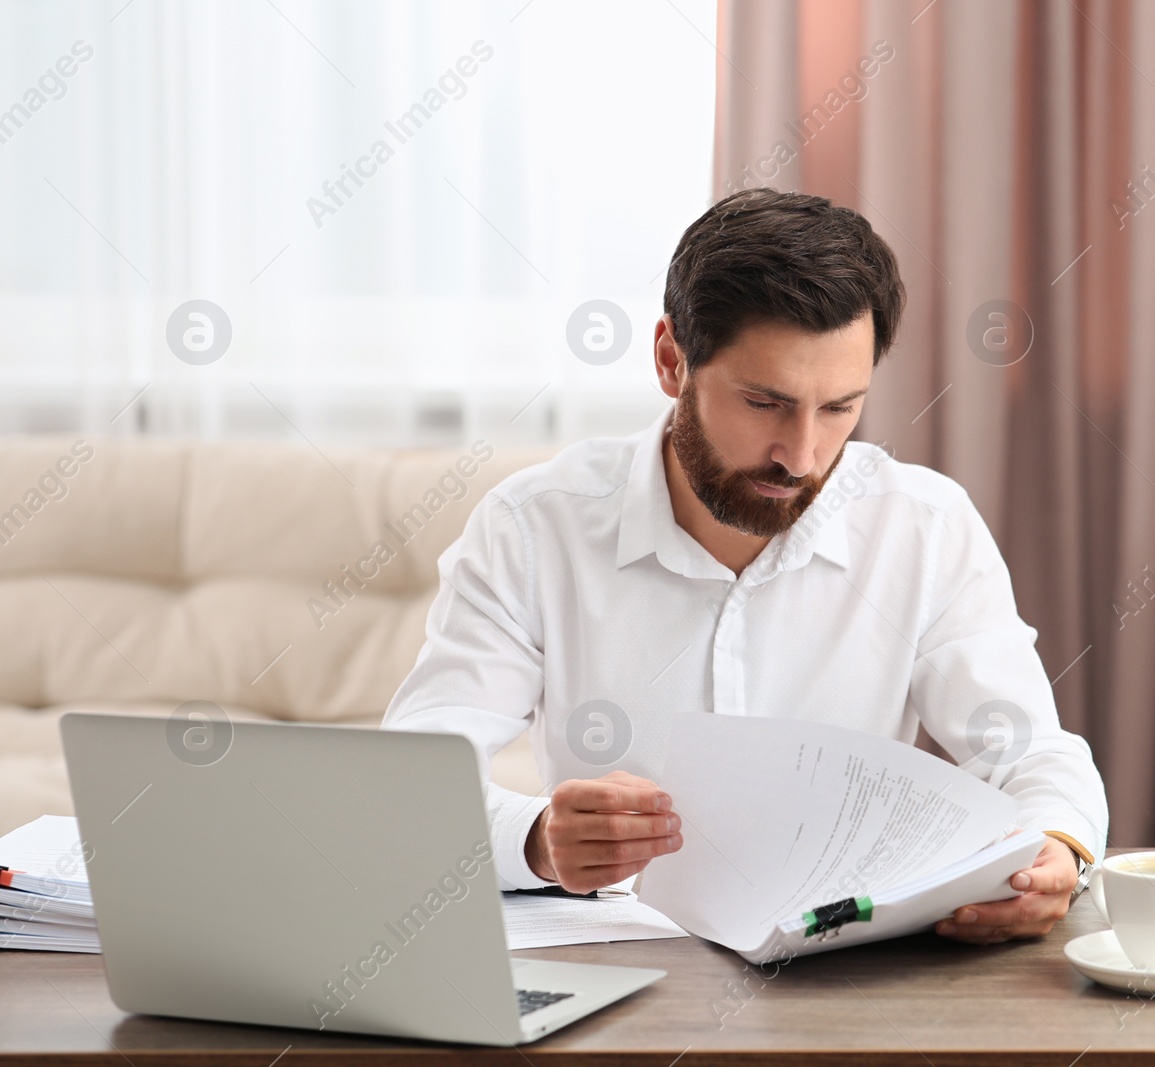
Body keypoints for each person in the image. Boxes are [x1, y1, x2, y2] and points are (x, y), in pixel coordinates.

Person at [383, 188, 1108, 945]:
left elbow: (1030, 750)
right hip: (618, 964)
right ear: (672, 360)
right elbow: (411, 780)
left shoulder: (924, 525)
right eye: (766, 402)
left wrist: (1057, 849)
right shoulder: (532, 528)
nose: (800, 455)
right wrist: (534, 837)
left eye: (839, 408)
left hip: (848, 972)